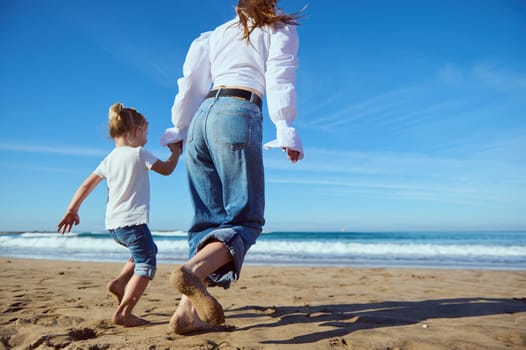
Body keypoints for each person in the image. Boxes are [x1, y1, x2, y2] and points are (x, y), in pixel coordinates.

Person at [160, 0, 304, 334]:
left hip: (202, 117)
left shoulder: (212, 36)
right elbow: (281, 73)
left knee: (206, 221)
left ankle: (186, 314)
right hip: (238, 112)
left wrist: (180, 129)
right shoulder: (279, 28)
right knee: (246, 218)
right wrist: (285, 127)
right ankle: (192, 271)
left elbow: (190, 83)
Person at [57, 102, 183, 327]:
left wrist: (71, 210)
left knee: (147, 249)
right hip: (134, 223)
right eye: (146, 132)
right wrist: (176, 153)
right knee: (146, 263)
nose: (147, 137)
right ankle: (124, 312)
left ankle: (119, 283)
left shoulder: (109, 159)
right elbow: (166, 170)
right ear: (136, 131)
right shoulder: (139, 153)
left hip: (114, 226)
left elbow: (87, 185)